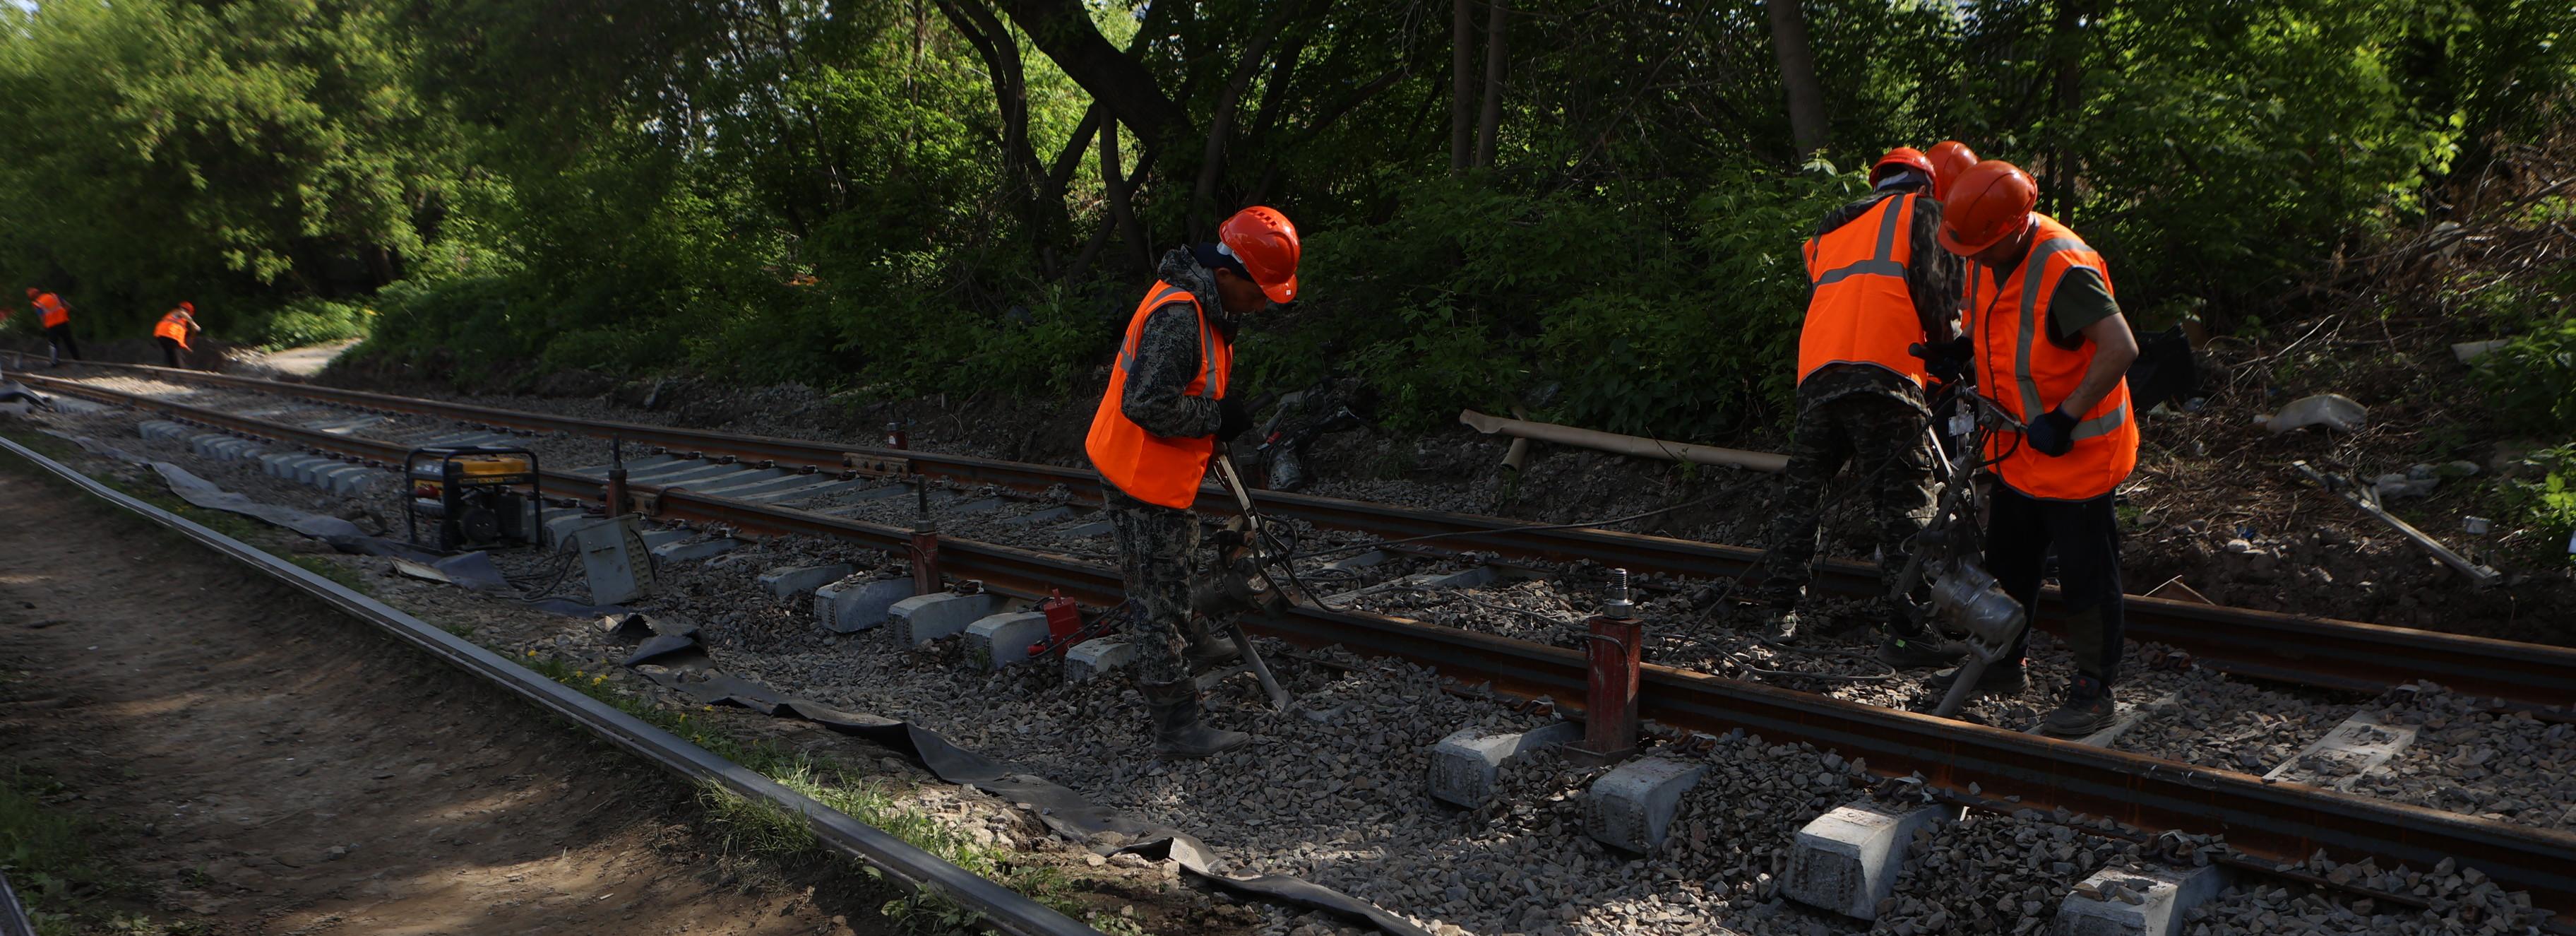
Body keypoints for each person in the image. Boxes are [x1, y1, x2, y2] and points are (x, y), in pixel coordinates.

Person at [1928, 160, 2140, 737]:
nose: (1973, 258)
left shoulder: (2063, 269)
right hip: (2019, 447)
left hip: (2076, 456)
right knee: (2009, 563)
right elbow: (1998, 326)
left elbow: (2120, 348)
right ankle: (2002, 664)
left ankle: (2095, 691)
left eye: (1981, 247)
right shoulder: (1987, 255)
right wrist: (1961, 353)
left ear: (2013, 227)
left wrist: (2066, 416)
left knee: (2086, 579)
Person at [1085, 206, 1301, 759]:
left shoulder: (1208, 304)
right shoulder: (1181, 316)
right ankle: (1177, 729)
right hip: (1138, 475)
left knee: (1176, 562)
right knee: (1155, 604)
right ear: (1226, 274)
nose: (1262, 306)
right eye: (1258, 293)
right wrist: (1216, 418)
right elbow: (1145, 404)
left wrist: (1216, 425)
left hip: (1157, 471)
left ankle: (1194, 639)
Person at [1743, 148, 1962, 668]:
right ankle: (1911, 630)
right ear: (1926, 185)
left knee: (1803, 497)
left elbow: (1829, 295)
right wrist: (1949, 356)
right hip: (1886, 376)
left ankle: (1779, 612)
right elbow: (1936, 295)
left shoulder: (1832, 224)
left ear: (1878, 182)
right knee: (1905, 503)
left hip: (1819, 376)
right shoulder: (1922, 212)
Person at [28, 288, 78, 365]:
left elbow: (42, 317)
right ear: (39, 292)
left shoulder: (37, 303)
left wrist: (44, 327)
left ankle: (54, 362)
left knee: (53, 345)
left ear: (33, 297)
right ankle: (78, 359)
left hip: (51, 326)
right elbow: (68, 306)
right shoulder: (54, 296)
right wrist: (63, 314)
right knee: (69, 342)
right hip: (63, 323)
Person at [155, 302, 201, 368]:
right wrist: (194, 324)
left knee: (172, 357)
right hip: (169, 335)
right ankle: (179, 372)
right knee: (177, 360)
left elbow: (182, 336)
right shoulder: (178, 312)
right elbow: (182, 313)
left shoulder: (179, 320)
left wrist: (187, 346)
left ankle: (173, 371)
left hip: (164, 336)